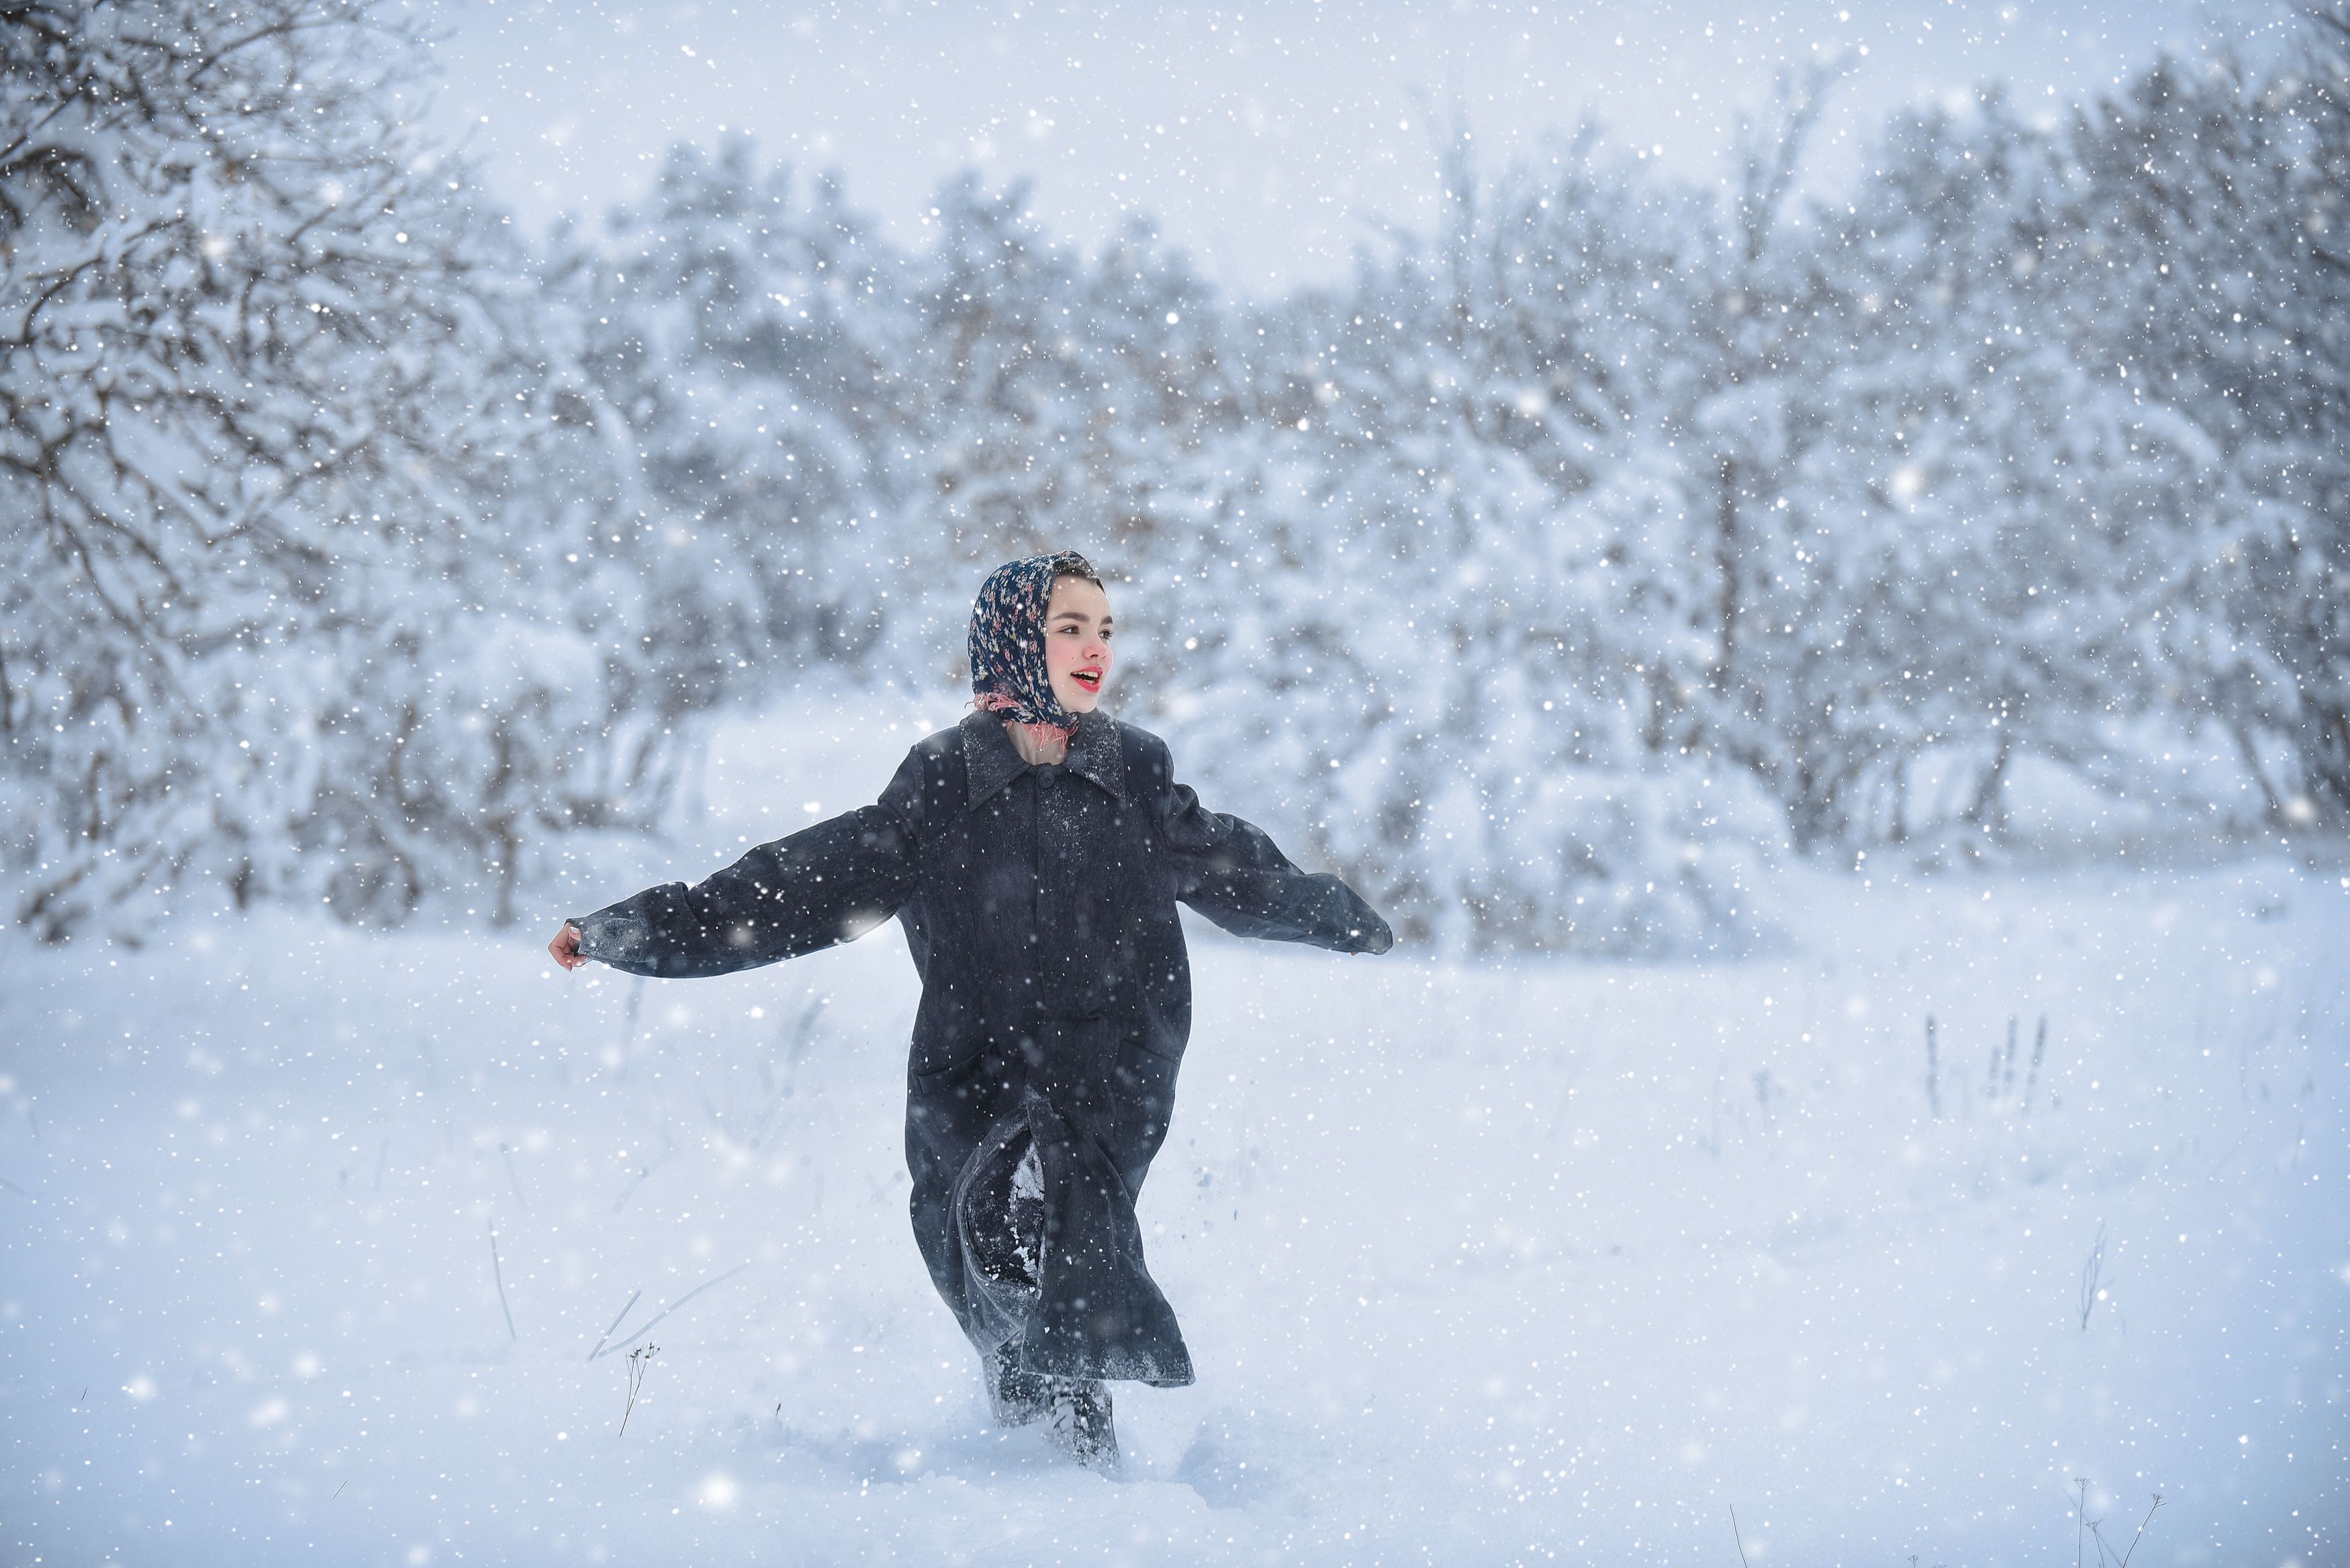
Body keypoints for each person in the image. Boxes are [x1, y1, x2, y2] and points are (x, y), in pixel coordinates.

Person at [548, 551, 1393, 1469]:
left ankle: (1083, 1482)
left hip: (1111, 1077)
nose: (1096, 650)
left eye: (1105, 630)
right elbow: (798, 886)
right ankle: (1033, 1473)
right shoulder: (943, 785)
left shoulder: (1136, 775)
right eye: (1070, 628)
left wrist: (1342, 917)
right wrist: (631, 930)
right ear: (1015, 643)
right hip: (972, 1080)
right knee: (995, 1277)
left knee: (1054, 1235)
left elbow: (1237, 869)